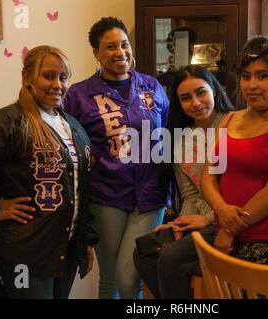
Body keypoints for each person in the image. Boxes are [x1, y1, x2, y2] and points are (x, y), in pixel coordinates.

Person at [0, 45, 98, 299]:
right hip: (24, 251)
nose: (57, 85)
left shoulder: (72, 126)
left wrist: (86, 240)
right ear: (27, 78)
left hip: (65, 248)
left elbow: (81, 187)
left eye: (63, 77)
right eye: (48, 76)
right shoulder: (8, 121)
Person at [63, 17, 170, 299]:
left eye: (124, 44)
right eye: (110, 47)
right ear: (97, 53)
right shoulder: (78, 94)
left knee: (129, 276)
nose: (120, 52)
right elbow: (71, 143)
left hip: (151, 193)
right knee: (111, 278)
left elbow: (168, 133)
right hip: (106, 194)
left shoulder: (152, 87)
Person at [201, 35, 268, 270]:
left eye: (263, 76)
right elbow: (209, 176)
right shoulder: (229, 119)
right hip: (226, 235)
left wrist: (229, 229)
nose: (251, 85)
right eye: (246, 76)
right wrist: (222, 212)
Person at [134, 65, 234, 298]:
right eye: (186, 98)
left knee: (171, 257)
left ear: (215, 91)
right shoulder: (179, 139)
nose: (196, 103)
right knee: (145, 252)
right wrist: (182, 222)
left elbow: (241, 190)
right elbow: (190, 195)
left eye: (201, 93)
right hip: (199, 220)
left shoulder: (234, 127)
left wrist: (207, 219)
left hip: (226, 220)